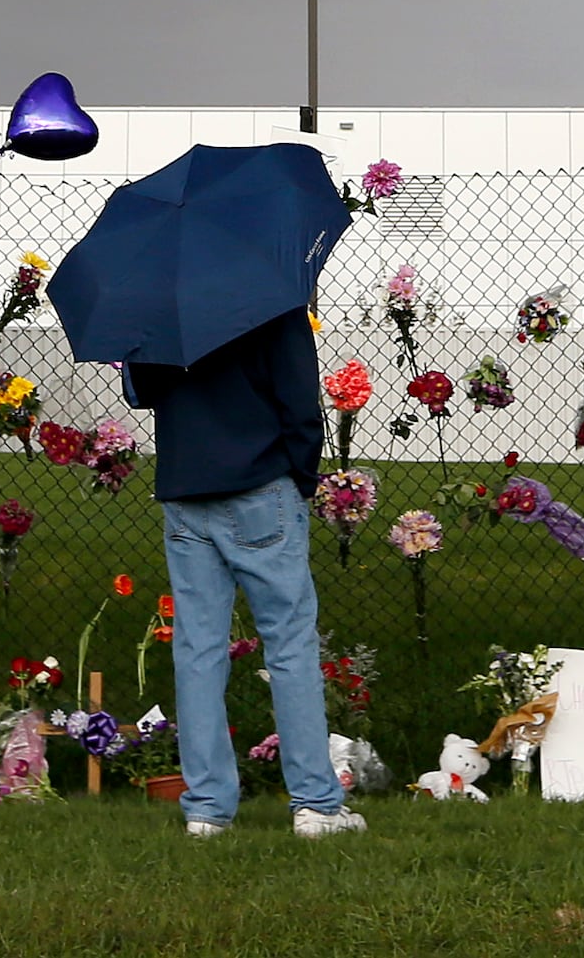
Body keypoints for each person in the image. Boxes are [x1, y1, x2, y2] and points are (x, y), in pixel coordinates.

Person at [124, 307, 362, 838]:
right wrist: (300, 476)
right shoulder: (272, 299)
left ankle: (207, 807)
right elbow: (301, 402)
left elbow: (140, 391)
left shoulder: (156, 298)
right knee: (290, 646)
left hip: (186, 487)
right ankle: (316, 806)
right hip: (261, 484)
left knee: (198, 650)